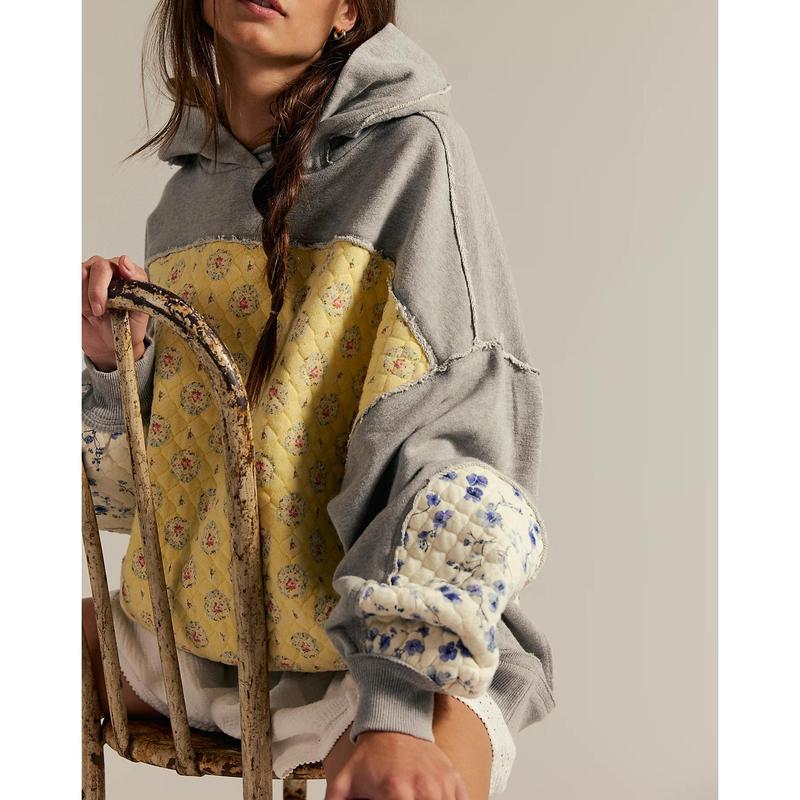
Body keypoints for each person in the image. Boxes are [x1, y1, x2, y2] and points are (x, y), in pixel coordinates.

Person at [81, 3, 555, 798]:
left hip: (370, 666)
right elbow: (174, 478)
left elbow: (450, 434)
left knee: (403, 784)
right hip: (189, 640)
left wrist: (394, 708)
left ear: (348, 11)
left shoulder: (413, 156)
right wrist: (114, 364)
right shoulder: (182, 204)